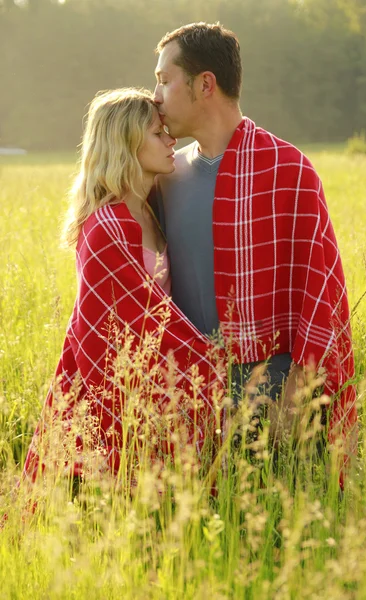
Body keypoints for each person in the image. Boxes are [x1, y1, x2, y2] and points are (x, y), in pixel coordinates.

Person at [151, 23, 357, 474]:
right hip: (187, 393)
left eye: (165, 80)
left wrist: (295, 396)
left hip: (274, 390)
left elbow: (322, 292)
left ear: (205, 83)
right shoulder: (162, 177)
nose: (156, 95)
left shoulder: (289, 169)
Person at [22, 88, 224, 489]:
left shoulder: (149, 209)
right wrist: (210, 358)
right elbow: (127, 321)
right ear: (126, 143)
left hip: (146, 385)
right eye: (156, 134)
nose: (172, 141)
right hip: (100, 397)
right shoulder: (108, 227)